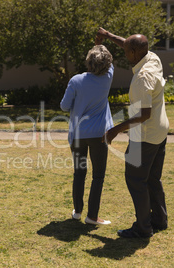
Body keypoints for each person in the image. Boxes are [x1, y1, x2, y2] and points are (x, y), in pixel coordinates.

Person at [97, 28, 169, 238]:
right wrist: (109, 36)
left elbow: (143, 115)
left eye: (127, 51)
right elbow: (129, 44)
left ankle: (143, 228)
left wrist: (114, 130)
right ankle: (159, 220)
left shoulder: (141, 79)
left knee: (136, 180)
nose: (125, 54)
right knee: (153, 178)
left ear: (135, 53)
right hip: (160, 131)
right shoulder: (152, 58)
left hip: (145, 136)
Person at [60, 44, 114, 225]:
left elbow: (64, 106)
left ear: (88, 61)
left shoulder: (76, 80)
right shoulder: (107, 78)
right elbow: (110, 62)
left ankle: (77, 211)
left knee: (79, 173)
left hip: (77, 135)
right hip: (99, 134)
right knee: (98, 175)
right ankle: (92, 216)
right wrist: (103, 40)